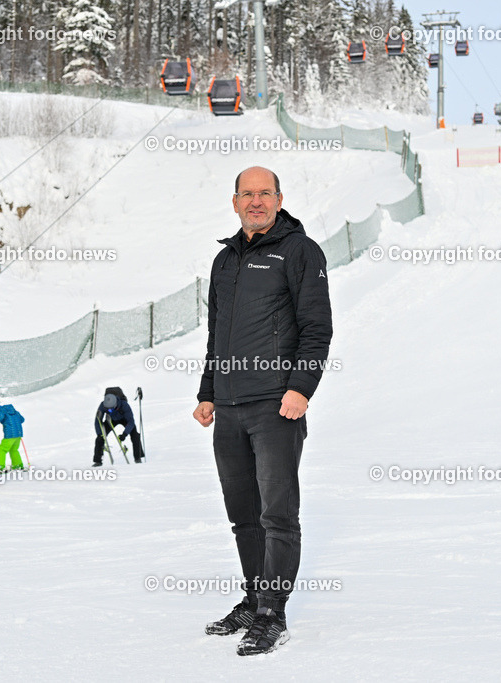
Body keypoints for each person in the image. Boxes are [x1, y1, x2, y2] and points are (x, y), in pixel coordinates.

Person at [193, 166, 332, 656]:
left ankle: (273, 613)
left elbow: (317, 329)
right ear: (234, 202)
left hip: (276, 406)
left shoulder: (299, 251)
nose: (256, 201)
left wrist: (301, 389)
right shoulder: (224, 261)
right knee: (243, 515)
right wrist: (207, 391)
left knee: (278, 515)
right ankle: (254, 599)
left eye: (264, 194)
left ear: (279, 199)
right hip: (228, 406)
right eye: (247, 194)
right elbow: (217, 335)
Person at [92, 387, 144, 466]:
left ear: (115, 405)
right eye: (107, 409)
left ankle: (138, 458)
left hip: (124, 419)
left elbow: (131, 422)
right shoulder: (103, 405)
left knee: (135, 435)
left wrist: (124, 434)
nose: (108, 410)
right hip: (111, 419)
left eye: (110, 409)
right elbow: (97, 421)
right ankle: (97, 461)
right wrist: (99, 433)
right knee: (99, 438)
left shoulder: (124, 405)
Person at [0, 403, 26, 471]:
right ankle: (17, 464)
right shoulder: (15, 411)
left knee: (2, 449)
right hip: (19, 434)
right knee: (14, 450)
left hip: (10, 434)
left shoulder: (1, 410)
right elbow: (22, 419)